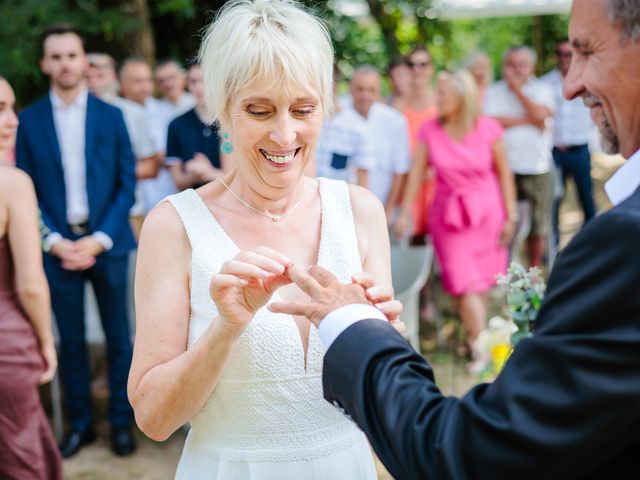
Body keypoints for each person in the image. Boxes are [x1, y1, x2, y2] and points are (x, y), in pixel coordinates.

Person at [271, 1, 640, 478]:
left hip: (480, 218)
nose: (569, 85)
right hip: (450, 222)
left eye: (587, 52)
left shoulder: (624, 239)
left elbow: (475, 454)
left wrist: (352, 323)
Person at [128, 1, 401, 478]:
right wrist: (225, 329)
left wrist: (388, 346)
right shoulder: (174, 225)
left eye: (303, 108)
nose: (284, 133)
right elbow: (154, 419)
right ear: (222, 108)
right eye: (259, 109)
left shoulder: (360, 211)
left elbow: (386, 399)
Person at [16, 24, 137, 458]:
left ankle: (122, 424)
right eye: (57, 57)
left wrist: (100, 239)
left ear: (84, 61)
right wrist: (54, 242)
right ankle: (81, 425)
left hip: (108, 243)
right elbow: (23, 188)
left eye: (72, 55)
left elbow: (127, 184)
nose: (66, 64)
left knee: (120, 339)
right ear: (46, 64)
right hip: (58, 249)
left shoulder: (112, 115)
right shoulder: (28, 121)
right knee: (69, 343)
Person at [395, 70, 516, 360]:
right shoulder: (429, 131)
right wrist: (405, 212)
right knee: (464, 285)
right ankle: (486, 352)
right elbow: (415, 175)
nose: (437, 99)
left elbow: (505, 175)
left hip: (487, 216)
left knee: (481, 285)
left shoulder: (488, 129)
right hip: (449, 219)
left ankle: (479, 342)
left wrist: (511, 216)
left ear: (463, 97)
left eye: (443, 94)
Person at [0, 76, 63, 480]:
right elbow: (31, 284)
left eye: (11, 108)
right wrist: (45, 341)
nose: (12, 121)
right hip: (6, 348)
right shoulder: (11, 184)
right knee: (21, 460)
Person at [484, 46, 555, 268]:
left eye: (522, 64)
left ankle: (533, 273)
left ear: (531, 67)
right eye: (511, 64)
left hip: (537, 168)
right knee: (504, 224)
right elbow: (490, 123)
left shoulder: (544, 89)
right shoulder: (493, 92)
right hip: (504, 170)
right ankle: (503, 271)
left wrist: (517, 91)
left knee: (538, 226)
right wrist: (529, 120)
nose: (516, 70)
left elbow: (541, 114)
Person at [86, 52, 159, 237]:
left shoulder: (133, 113)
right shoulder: (71, 117)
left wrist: (105, 175)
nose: (94, 83)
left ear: (114, 78)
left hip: (129, 211)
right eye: (88, 77)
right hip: (84, 212)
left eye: (100, 76)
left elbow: (151, 166)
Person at [542, 38, 597, 248]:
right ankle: (553, 247)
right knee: (554, 201)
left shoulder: (587, 81)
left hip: (580, 149)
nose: (564, 58)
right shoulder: (545, 83)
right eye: (560, 53)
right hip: (554, 152)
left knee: (586, 197)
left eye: (568, 53)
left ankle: (593, 244)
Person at [345, 66, 411, 222]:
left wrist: (388, 210)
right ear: (351, 89)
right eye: (360, 89)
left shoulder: (395, 122)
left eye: (371, 90)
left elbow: (399, 170)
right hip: (343, 210)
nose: (365, 96)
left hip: (379, 209)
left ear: (379, 91)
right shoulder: (337, 118)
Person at [166, 62, 227, 191]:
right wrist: (194, 175)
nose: (199, 87)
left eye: (204, 80)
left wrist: (208, 172)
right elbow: (178, 181)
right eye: (193, 81)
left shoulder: (229, 121)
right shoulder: (177, 125)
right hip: (192, 204)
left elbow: (238, 177)